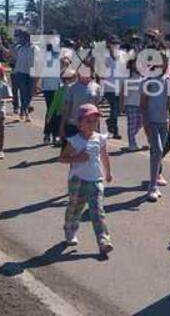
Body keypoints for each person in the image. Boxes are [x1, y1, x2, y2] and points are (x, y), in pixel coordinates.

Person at [59, 103, 113, 255]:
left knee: (97, 210)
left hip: (96, 179)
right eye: (88, 121)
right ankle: (70, 230)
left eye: (95, 121)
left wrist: (108, 173)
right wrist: (77, 158)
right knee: (75, 208)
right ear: (79, 123)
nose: (92, 124)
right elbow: (62, 158)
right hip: (77, 180)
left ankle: (103, 240)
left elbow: (104, 155)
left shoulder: (100, 138)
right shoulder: (74, 141)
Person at [140, 51, 170, 203]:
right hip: (151, 122)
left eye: (165, 62)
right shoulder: (148, 80)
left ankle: (154, 183)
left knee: (158, 153)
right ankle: (152, 187)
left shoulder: (168, 80)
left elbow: (169, 102)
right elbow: (143, 104)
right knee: (158, 150)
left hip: (164, 122)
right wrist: (145, 123)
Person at [60, 65, 102, 141]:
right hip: (74, 125)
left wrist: (97, 127)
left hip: (89, 126)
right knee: (70, 151)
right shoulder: (71, 88)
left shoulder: (96, 87)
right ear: (78, 73)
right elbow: (66, 109)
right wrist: (62, 127)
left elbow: (97, 108)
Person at [12, 31, 38, 122]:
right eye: (22, 38)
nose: (23, 39)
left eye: (25, 37)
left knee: (29, 94)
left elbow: (37, 62)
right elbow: (10, 53)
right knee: (23, 92)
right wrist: (17, 43)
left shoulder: (35, 48)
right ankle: (25, 112)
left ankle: (24, 110)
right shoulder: (19, 48)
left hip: (31, 73)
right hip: (20, 73)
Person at [120, 58, 143, 151]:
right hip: (130, 104)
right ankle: (132, 144)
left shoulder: (142, 76)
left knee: (140, 124)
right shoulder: (126, 77)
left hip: (141, 104)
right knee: (132, 125)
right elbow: (122, 93)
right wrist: (121, 105)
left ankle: (135, 141)